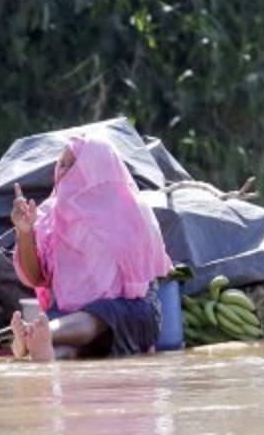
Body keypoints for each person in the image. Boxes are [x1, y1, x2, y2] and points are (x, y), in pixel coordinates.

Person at [9, 133, 173, 361]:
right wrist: (25, 233)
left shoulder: (132, 211)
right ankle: (40, 347)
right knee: (65, 353)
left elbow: (139, 287)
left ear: (95, 167)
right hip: (68, 315)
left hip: (125, 311)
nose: (63, 172)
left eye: (71, 164)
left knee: (95, 317)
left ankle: (30, 337)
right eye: (61, 165)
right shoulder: (49, 216)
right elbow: (36, 278)